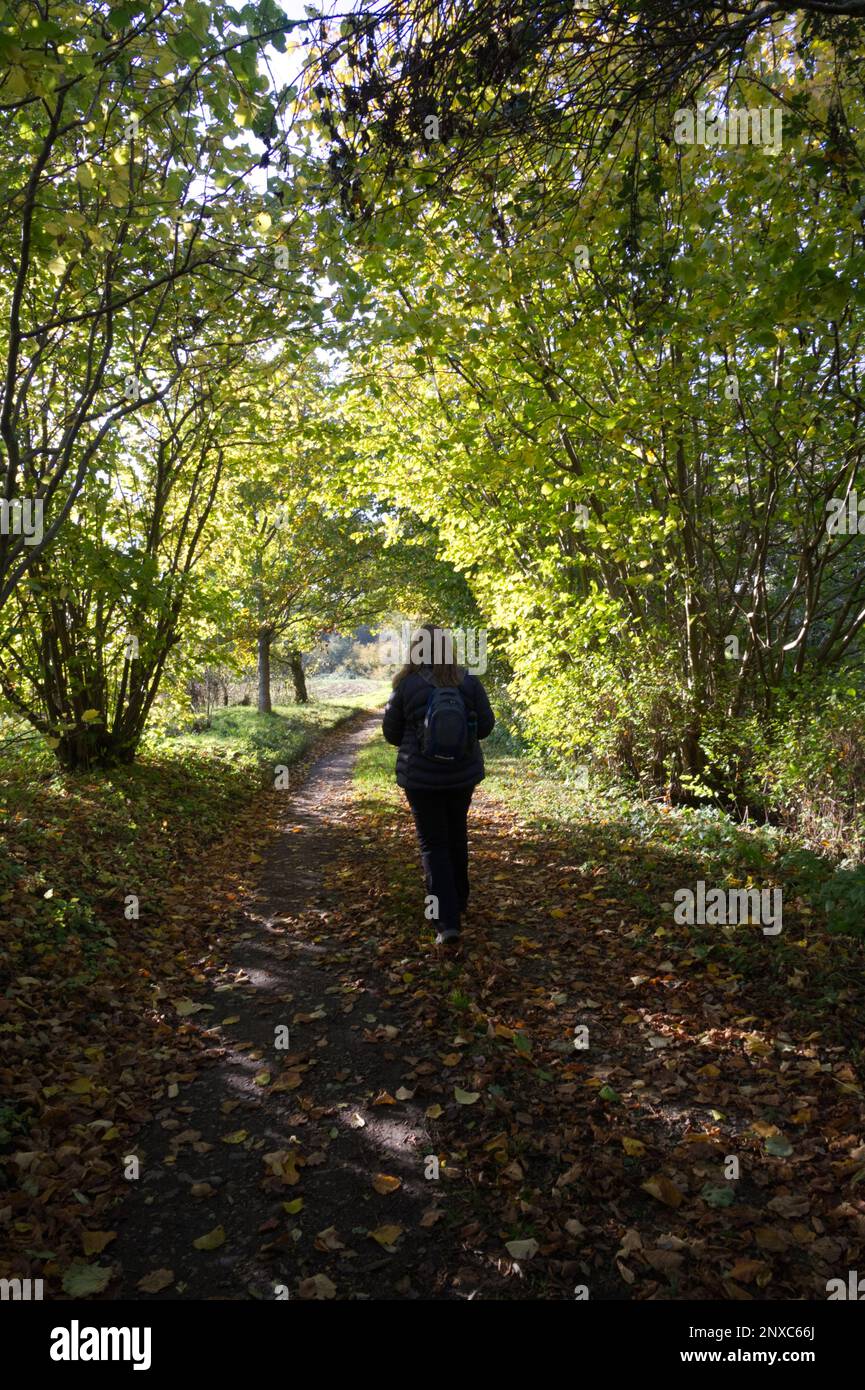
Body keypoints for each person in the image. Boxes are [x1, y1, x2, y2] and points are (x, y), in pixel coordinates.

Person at [382, 624, 495, 947]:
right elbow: (485, 727)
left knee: (433, 843)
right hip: (462, 775)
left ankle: (446, 922)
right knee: (457, 834)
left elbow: (391, 733)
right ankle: (459, 901)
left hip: (420, 778)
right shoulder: (468, 681)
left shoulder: (406, 684)